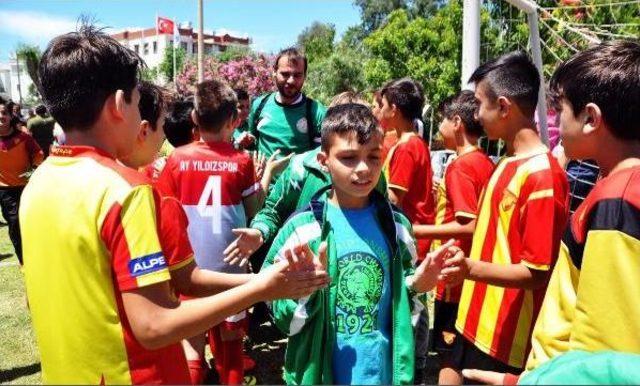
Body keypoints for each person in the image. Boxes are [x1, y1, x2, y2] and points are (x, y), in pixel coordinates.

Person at [20, 25, 329, 384]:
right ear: (121, 104)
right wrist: (264, 287)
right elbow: (154, 325)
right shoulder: (125, 191)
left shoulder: (38, 183)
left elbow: (37, 300)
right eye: (138, 100)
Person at [460, 42, 640, 385]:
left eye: (560, 111)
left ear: (590, 118)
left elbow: (605, 355)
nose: (554, 122)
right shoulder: (613, 188)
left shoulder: (616, 202)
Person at [261, 103, 452, 385]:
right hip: (320, 374)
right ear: (324, 161)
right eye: (348, 157)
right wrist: (305, 289)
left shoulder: (397, 228)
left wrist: (417, 285)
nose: (363, 168)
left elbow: (405, 309)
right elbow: (279, 315)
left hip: (382, 374)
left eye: (373, 157)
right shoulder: (301, 232)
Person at [439, 52, 569, 383]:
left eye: (480, 104)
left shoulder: (544, 177)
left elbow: (536, 272)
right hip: (473, 314)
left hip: (505, 334)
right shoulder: (506, 162)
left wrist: (469, 268)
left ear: (503, 106)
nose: (476, 115)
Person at [156, 79, 287, 384]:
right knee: (230, 347)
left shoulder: (176, 160)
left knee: (192, 344)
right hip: (231, 272)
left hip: (190, 271)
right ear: (234, 121)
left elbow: (164, 210)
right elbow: (256, 208)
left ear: (194, 119)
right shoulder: (241, 162)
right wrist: (263, 175)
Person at [412, 90, 495, 385]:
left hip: (454, 271)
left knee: (450, 351)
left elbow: (469, 224)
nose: (440, 127)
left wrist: (418, 229)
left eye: (444, 120)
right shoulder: (485, 162)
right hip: (474, 269)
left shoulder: (460, 165)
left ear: (457, 122)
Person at [245, 47, 326, 157]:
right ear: (274, 72)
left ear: (305, 75)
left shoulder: (317, 112)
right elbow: (251, 144)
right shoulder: (259, 105)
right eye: (285, 74)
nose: (291, 80)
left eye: (297, 75)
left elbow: (320, 158)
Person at [0, 100, 43, 264]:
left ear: (11, 116)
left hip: (26, 187)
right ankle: (24, 262)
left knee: (31, 221)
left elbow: (38, 154)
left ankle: (37, 254)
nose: (1, 116)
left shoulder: (23, 137)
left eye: (4, 112)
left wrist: (32, 171)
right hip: (4, 191)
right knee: (14, 223)